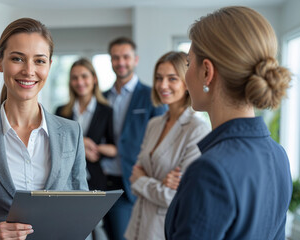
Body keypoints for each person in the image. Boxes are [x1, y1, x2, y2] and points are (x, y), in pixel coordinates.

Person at [0, 18, 88, 240]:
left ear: (50, 66)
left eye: (39, 61)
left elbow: (82, 216)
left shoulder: (72, 132)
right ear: (0, 62)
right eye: (17, 59)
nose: (29, 70)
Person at [165, 6, 292, 239]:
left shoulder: (210, 171)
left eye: (188, 63)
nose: (186, 74)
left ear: (206, 73)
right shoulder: (278, 155)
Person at [124, 51, 209, 240]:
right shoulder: (154, 124)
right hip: (136, 227)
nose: (163, 85)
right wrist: (155, 183)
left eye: (172, 79)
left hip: (163, 230)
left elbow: (177, 197)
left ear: (187, 82)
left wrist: (143, 180)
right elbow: (133, 177)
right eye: (159, 78)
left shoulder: (197, 130)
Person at [102, 37, 168, 240]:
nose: (120, 62)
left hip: (133, 181)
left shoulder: (151, 96)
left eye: (125, 57)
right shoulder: (103, 97)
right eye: (115, 57)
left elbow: (162, 141)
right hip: (102, 181)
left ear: (135, 59)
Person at [56, 58, 116, 191]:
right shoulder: (61, 111)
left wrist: (95, 149)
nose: (80, 82)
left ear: (94, 79)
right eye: (75, 78)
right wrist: (82, 144)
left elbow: (114, 149)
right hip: (65, 180)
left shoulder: (106, 111)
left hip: (95, 180)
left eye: (84, 76)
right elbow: (55, 144)